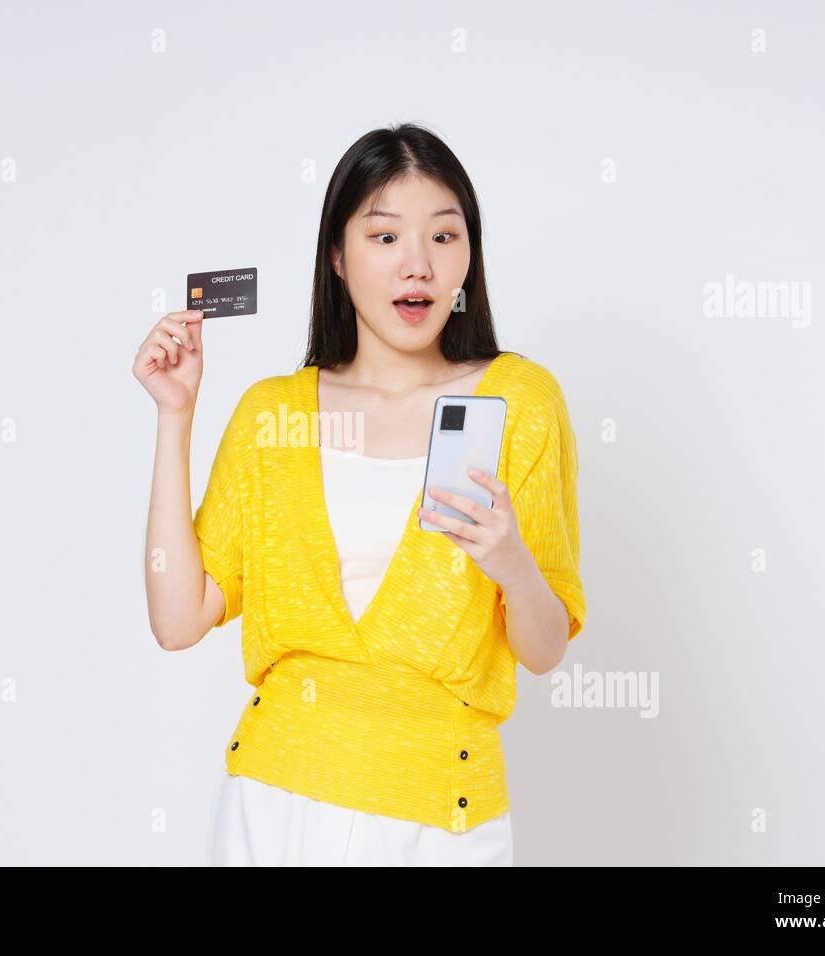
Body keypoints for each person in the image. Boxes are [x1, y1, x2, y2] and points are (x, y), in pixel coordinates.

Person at [136, 123, 587, 866]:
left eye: (444, 237)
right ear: (338, 259)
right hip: (274, 805)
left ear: (469, 257)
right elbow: (178, 620)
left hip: (440, 815)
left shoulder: (521, 403)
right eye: (385, 238)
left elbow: (544, 651)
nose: (418, 265)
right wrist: (174, 416)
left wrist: (511, 562)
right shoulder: (272, 412)